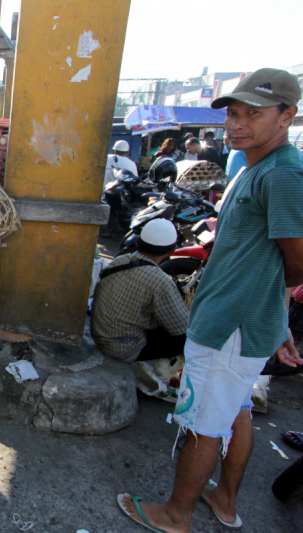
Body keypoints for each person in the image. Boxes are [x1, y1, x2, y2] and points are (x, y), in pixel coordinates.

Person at [118, 67, 303, 533]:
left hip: (230, 326)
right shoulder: (257, 166)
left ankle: (174, 514)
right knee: (236, 411)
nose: (237, 124)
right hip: (244, 323)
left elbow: (299, 261)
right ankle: (223, 499)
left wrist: (263, 312)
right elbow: (271, 262)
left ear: (287, 116)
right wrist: (276, 318)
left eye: (253, 114)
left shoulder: (282, 175)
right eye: (233, 113)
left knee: (203, 421)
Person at [91, 219, 189, 363]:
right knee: (187, 340)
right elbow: (181, 327)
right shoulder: (160, 280)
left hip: (100, 336)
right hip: (124, 349)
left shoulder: (120, 260)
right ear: (173, 250)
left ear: (137, 241)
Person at [101, 140, 139, 237]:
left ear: (114, 150)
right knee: (117, 212)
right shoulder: (131, 163)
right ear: (126, 152)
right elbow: (135, 181)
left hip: (103, 191)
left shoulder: (106, 158)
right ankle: (114, 231)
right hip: (120, 194)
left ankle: (105, 231)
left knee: (105, 211)